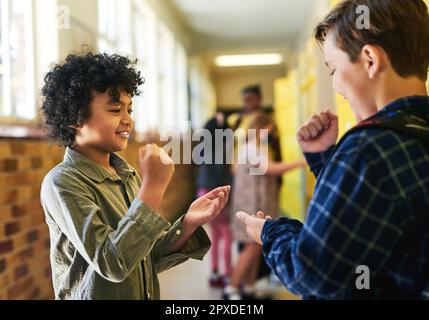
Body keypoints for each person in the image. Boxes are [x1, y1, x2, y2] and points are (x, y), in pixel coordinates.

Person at [236, 0, 429, 300]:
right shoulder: (405, 138)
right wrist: (327, 159)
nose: (336, 86)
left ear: (370, 60)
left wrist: (269, 232)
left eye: (333, 70)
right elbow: (377, 217)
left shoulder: (367, 149)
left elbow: (312, 273)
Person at [40, 52, 231, 300]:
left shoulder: (127, 175)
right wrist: (153, 187)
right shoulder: (62, 183)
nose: (128, 119)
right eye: (115, 109)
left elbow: (142, 257)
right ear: (76, 117)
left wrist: (188, 224)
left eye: (129, 109)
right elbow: (113, 263)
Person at [224, 113, 306, 300]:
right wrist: (301, 162)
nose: (269, 135)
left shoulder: (253, 147)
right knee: (252, 247)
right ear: (259, 128)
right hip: (252, 203)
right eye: (268, 131)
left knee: (255, 246)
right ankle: (232, 288)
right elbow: (270, 169)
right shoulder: (251, 148)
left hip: (256, 202)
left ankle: (249, 287)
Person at [196, 112, 234, 288]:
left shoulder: (203, 148)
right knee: (226, 233)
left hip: (203, 192)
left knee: (216, 234)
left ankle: (214, 272)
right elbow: (222, 177)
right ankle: (227, 274)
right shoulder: (222, 150)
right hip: (217, 193)